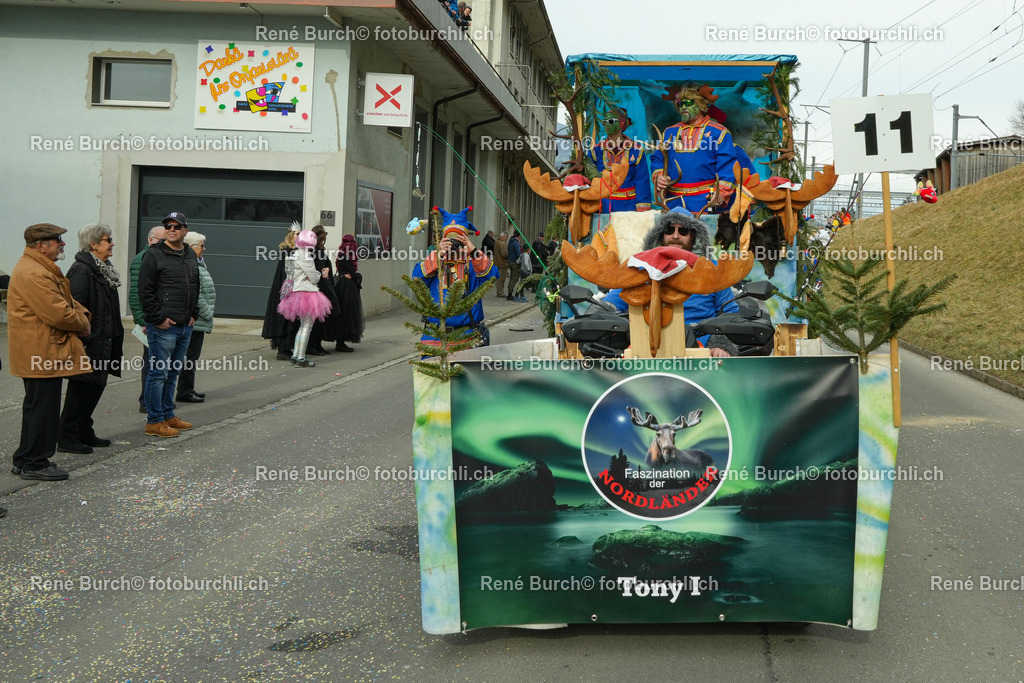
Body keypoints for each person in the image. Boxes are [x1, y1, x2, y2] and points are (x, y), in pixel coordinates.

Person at [8, 223, 92, 481]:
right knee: (43, 409)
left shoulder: (38, 267)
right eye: (57, 240)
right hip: (42, 351)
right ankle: (36, 463)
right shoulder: (35, 272)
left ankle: (25, 458)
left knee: (36, 406)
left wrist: (80, 314)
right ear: (41, 246)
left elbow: (66, 302)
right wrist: (82, 322)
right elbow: (58, 313)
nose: (62, 244)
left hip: (40, 348)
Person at [605, 209, 739, 357]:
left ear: (693, 236)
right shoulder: (640, 268)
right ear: (660, 234)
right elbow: (608, 305)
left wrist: (721, 344)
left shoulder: (711, 270)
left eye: (683, 231)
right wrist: (597, 317)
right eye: (669, 230)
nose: (675, 236)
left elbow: (730, 313)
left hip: (701, 352)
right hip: (644, 350)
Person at [57, 224, 125, 454]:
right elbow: (75, 307)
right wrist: (88, 337)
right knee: (82, 387)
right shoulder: (83, 269)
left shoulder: (103, 268)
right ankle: (67, 436)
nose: (112, 243)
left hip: (105, 340)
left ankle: (84, 430)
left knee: (95, 386)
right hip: (90, 342)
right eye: (107, 240)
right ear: (93, 244)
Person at [138, 211, 199, 438]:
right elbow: (144, 291)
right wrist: (158, 319)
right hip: (163, 327)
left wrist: (193, 314)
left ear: (185, 230)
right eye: (168, 226)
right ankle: (154, 421)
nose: (171, 230)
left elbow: (195, 284)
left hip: (184, 325)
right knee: (158, 374)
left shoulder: (189, 253)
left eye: (176, 226)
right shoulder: (153, 255)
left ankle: (167, 414)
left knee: (173, 373)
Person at [412, 207, 496, 353]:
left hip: (467, 337)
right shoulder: (436, 262)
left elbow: (493, 277)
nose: (454, 245)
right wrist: (438, 254)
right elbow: (416, 280)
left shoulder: (473, 263)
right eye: (450, 240)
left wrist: (473, 251)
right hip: (435, 337)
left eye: (459, 240)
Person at [650, 83, 742, 215]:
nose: (684, 107)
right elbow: (657, 159)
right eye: (680, 103)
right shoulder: (669, 132)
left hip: (705, 202)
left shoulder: (718, 132)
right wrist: (659, 176)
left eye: (688, 103)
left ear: (700, 105)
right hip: (673, 202)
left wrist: (721, 192)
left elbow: (728, 166)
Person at [277, 228, 332, 367]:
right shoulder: (306, 256)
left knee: (302, 326)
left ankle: (296, 356)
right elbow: (314, 278)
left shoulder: (293, 254)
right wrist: (320, 274)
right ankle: (300, 358)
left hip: (296, 292)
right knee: (306, 327)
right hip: (307, 292)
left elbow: (290, 274)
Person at [589, 107, 652, 213]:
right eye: (604, 122)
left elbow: (641, 181)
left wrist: (642, 208)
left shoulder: (636, 150)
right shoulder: (596, 150)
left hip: (629, 207)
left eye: (611, 121)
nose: (606, 124)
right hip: (604, 206)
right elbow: (590, 178)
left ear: (621, 124)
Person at [176, 231, 215, 403]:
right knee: (189, 356)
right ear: (191, 247)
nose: (204, 249)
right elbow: (195, 294)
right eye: (201, 246)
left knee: (192, 356)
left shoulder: (198, 263)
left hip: (198, 318)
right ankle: (184, 391)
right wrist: (206, 312)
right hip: (196, 318)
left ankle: (187, 388)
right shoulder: (191, 264)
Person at [129, 225, 164, 413]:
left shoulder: (160, 256)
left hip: (160, 319)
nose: (165, 243)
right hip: (149, 322)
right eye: (161, 240)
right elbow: (136, 293)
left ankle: (156, 400)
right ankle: (146, 401)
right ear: (150, 240)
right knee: (151, 362)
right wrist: (142, 321)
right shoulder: (142, 259)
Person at [262, 226, 300, 360]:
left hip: (291, 287)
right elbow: (288, 272)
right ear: (291, 236)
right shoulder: (288, 251)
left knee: (291, 319)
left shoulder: (294, 251)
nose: (299, 236)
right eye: (297, 234)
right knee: (285, 318)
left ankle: (287, 348)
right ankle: (283, 349)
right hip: (287, 289)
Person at [307, 224, 343, 356]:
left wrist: (327, 268)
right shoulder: (313, 251)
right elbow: (316, 270)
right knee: (317, 319)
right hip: (320, 288)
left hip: (324, 286)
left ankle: (317, 344)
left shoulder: (318, 250)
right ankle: (312, 345)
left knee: (322, 318)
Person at [333, 234, 364, 352]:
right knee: (347, 314)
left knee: (344, 313)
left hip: (342, 286)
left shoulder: (341, 254)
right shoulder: (346, 256)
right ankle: (340, 343)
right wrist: (358, 277)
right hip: (347, 288)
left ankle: (340, 342)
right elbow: (353, 274)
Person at [506, 233, 522, 301]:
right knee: (514, 278)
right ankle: (510, 293)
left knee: (512, 277)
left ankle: (509, 291)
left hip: (510, 261)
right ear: (519, 236)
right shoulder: (516, 243)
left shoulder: (510, 242)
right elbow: (518, 253)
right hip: (515, 262)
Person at [493, 232, 509, 298]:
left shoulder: (496, 242)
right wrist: (508, 255)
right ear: (504, 237)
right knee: (501, 278)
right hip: (502, 263)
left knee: (499, 277)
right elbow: (504, 254)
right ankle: (500, 292)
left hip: (497, 262)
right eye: (506, 237)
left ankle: (500, 292)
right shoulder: (502, 244)